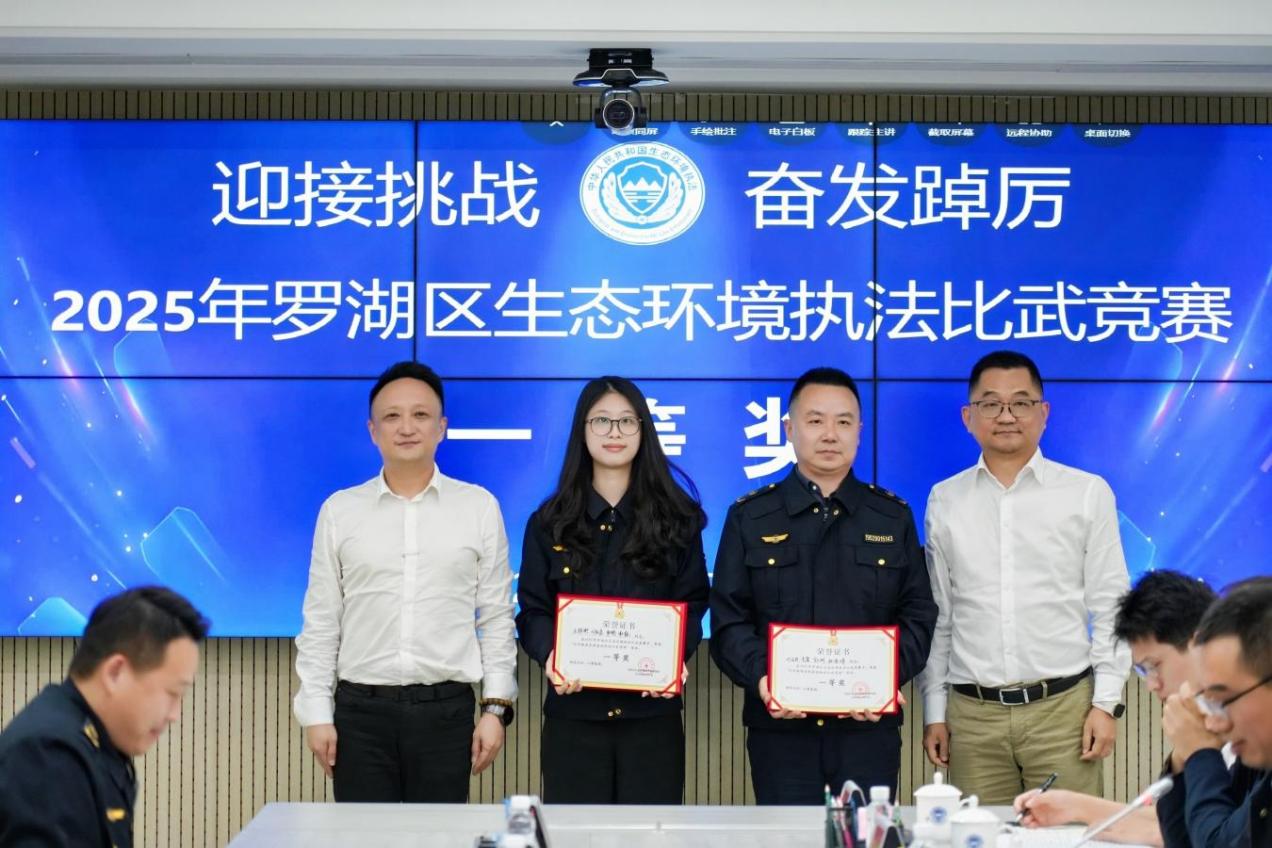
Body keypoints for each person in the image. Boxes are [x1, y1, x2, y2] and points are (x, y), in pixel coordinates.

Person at [710, 366, 937, 804]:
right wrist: (764, 677)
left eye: (843, 422)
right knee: (788, 836)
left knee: (865, 835)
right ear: (789, 429)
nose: (830, 434)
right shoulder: (751, 517)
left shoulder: (892, 517)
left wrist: (886, 678)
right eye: (815, 420)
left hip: (868, 730)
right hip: (781, 733)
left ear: (859, 432)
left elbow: (918, 615)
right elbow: (729, 621)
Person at [293, 360, 518, 803]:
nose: (407, 427)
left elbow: (495, 617)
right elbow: (321, 620)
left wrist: (495, 708)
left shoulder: (478, 507)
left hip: (446, 713)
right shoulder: (340, 511)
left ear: (441, 427)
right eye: (392, 416)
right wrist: (316, 711)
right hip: (360, 714)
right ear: (373, 430)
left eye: (421, 415)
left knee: (439, 834)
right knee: (362, 835)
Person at [919, 350, 1132, 805]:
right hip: (973, 718)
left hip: (1064, 713)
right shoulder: (945, 500)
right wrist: (935, 710)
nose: (1006, 415)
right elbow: (941, 615)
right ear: (968, 417)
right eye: (990, 404)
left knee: (1067, 834)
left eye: (1021, 402)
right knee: (976, 835)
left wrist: (1105, 703)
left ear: (1044, 412)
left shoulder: (1086, 493)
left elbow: (1112, 604)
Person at [516, 377, 709, 803]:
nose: (614, 432)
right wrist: (551, 655)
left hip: (651, 718)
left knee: (651, 831)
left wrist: (676, 655)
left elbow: (694, 602)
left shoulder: (678, 520)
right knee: (575, 832)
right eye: (601, 421)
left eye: (627, 421)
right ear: (582, 430)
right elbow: (532, 609)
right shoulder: (549, 523)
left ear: (644, 430)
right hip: (574, 718)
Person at [1013, 570, 1218, 845]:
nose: (1151, 685)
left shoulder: (1245, 724)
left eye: (1154, 666)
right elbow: (1172, 819)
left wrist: (1198, 754)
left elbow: (1224, 834)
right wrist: (1073, 806)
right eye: (1143, 671)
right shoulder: (1200, 720)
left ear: (1198, 643)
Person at [0, 586, 208, 847]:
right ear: (115, 673)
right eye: (172, 692)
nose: (174, 715)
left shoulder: (95, 742)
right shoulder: (48, 755)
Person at [1157, 576, 1271, 848]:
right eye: (1207, 701)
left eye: (1223, 700)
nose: (1215, 723)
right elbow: (1187, 841)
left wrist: (1200, 754)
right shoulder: (1260, 756)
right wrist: (1184, 760)